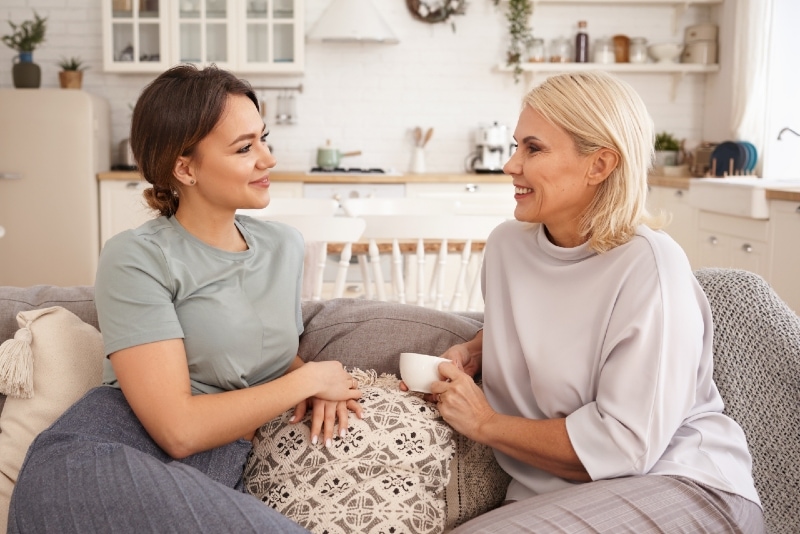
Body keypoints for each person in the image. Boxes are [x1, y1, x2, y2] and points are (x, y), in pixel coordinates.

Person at [8, 65, 362, 533]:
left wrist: (322, 382)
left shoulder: (284, 246)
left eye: (264, 138)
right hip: (100, 458)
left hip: (215, 465)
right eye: (244, 147)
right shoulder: (137, 257)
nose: (268, 159)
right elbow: (179, 430)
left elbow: (259, 354)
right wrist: (309, 379)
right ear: (185, 168)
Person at [422, 71, 765, 532]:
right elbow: (558, 324)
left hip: (680, 485)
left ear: (599, 165)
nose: (510, 165)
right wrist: (477, 349)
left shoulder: (649, 265)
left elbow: (625, 446)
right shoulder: (507, 247)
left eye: (533, 148)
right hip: (558, 495)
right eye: (515, 145)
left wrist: (484, 423)